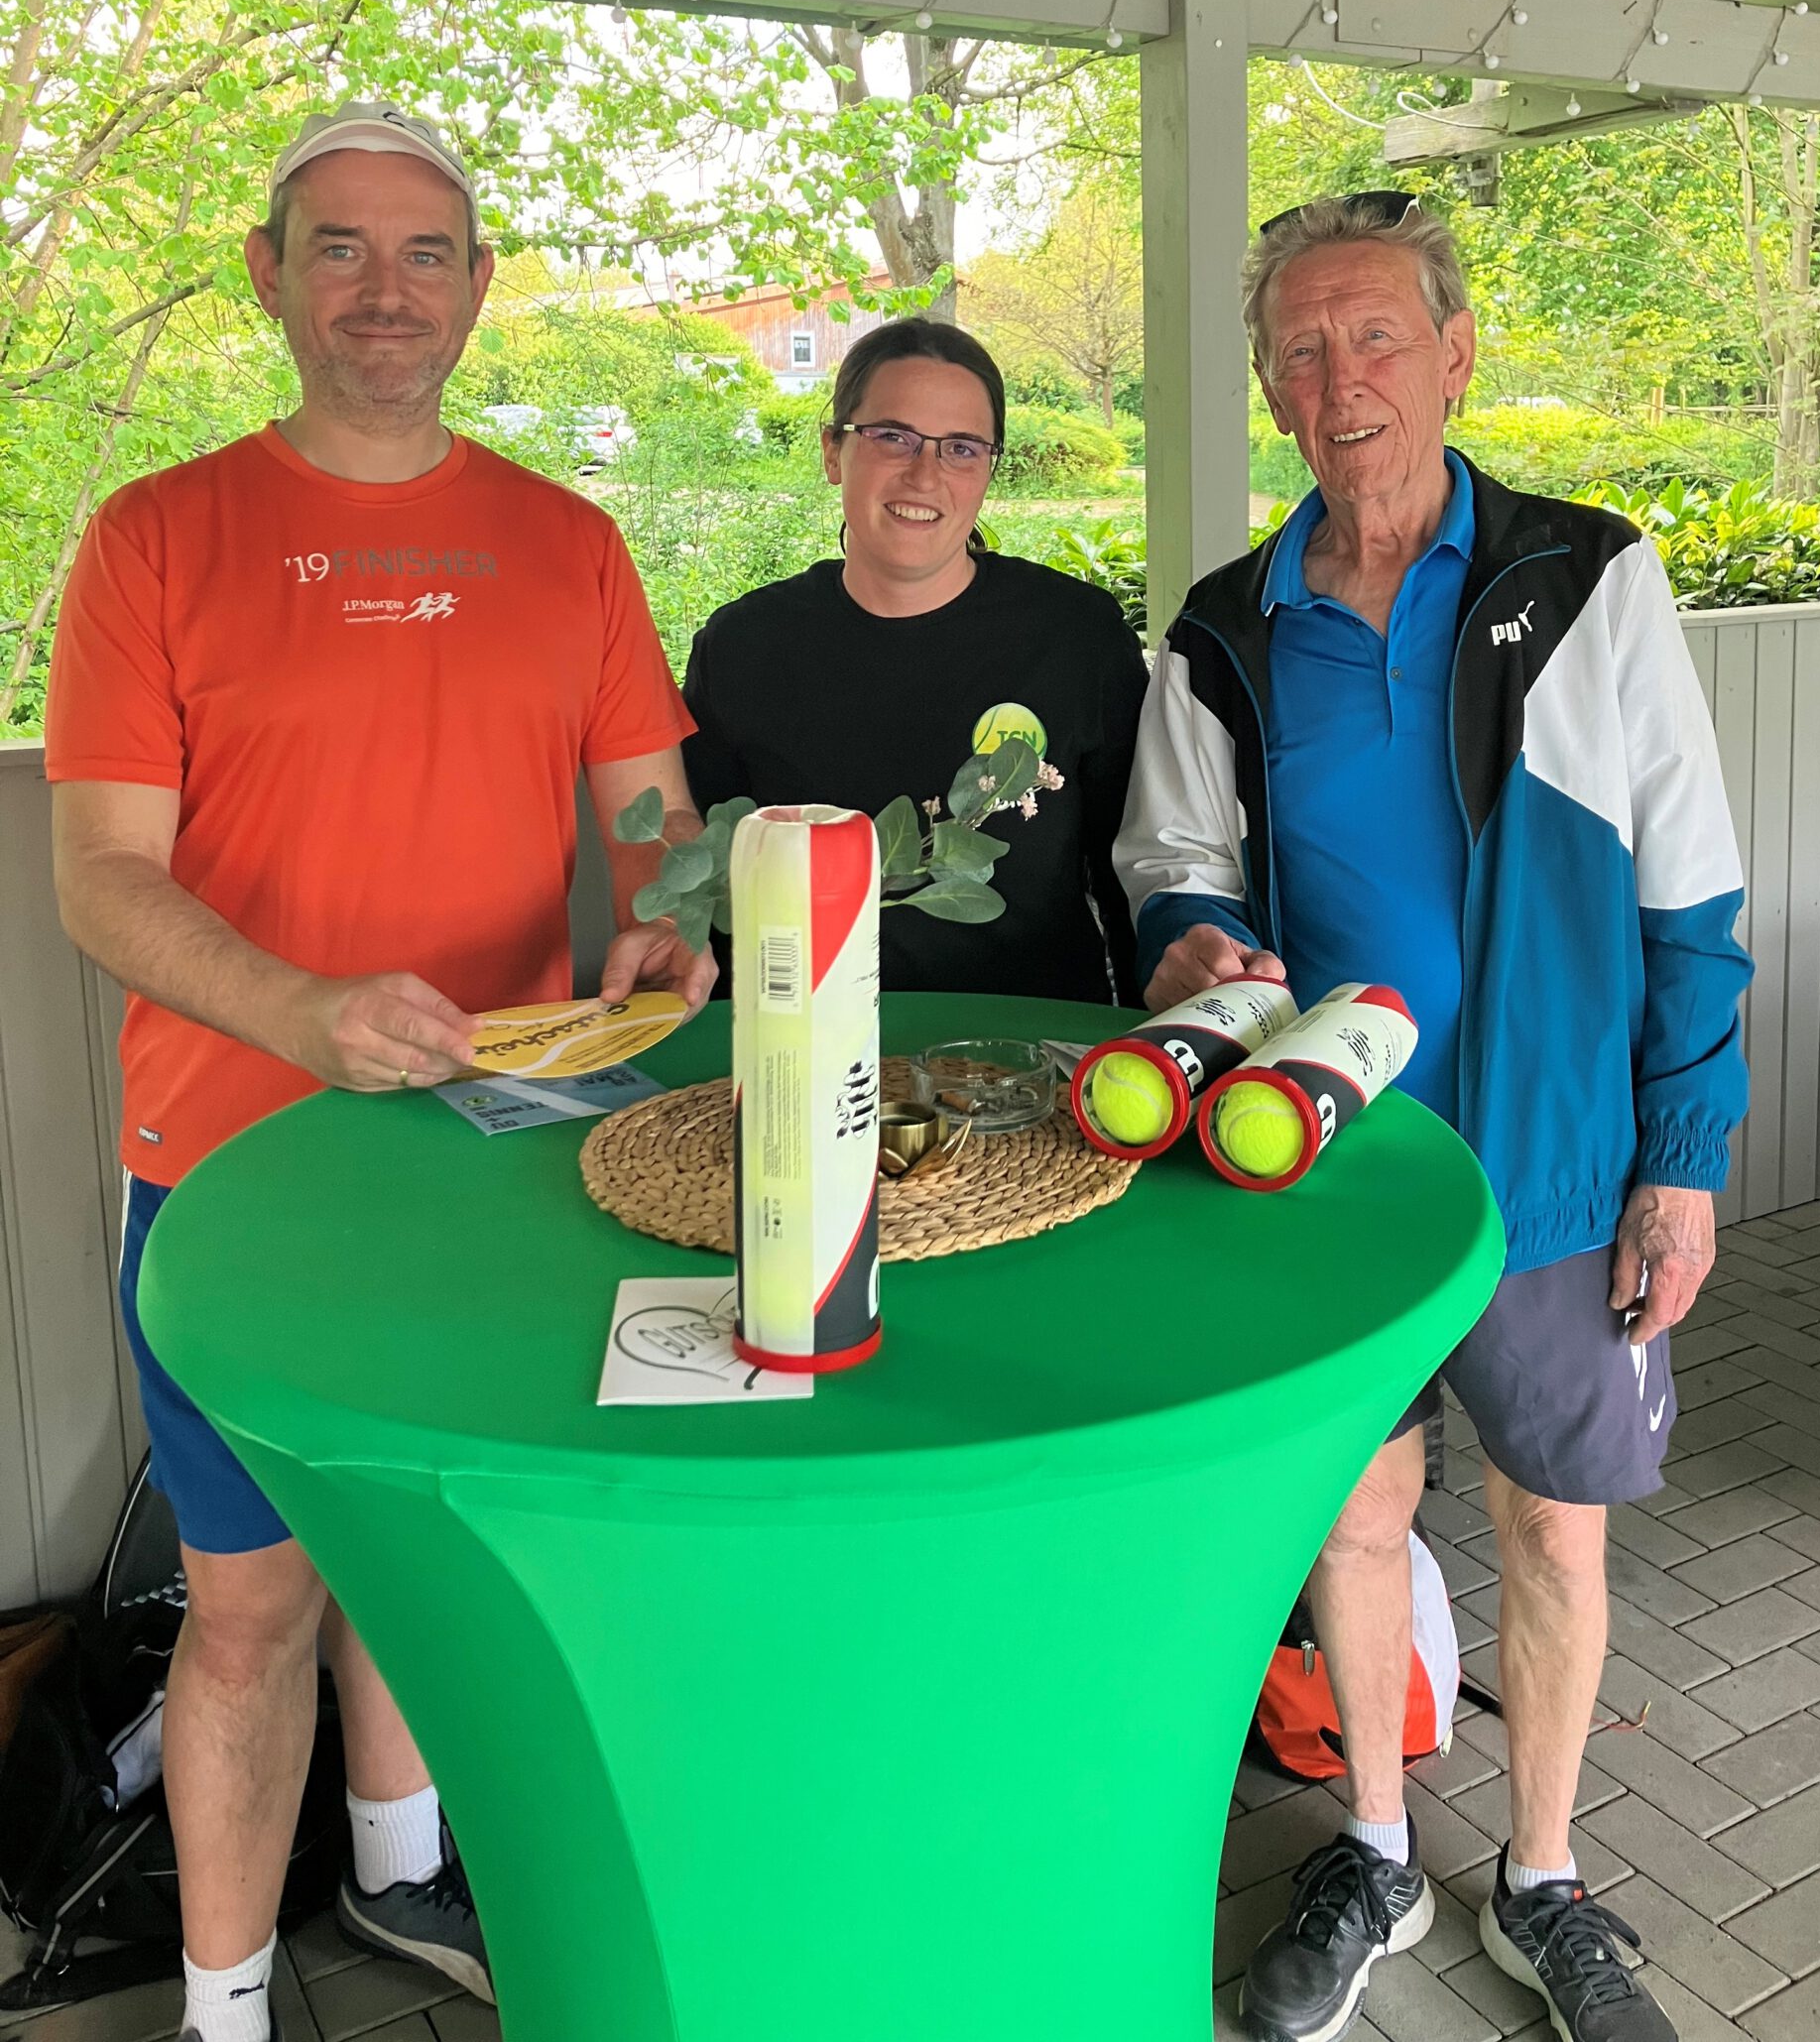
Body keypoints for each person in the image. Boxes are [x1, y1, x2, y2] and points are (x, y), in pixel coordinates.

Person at [45, 100, 714, 2042]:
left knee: (435, 1554)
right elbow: (99, 876)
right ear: (269, 274)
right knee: (253, 1602)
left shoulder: (568, 544)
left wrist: (667, 924)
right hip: (235, 1169)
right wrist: (301, 1013)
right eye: (338, 245)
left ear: (481, 287)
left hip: (502, 1151)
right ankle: (227, 1999)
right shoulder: (156, 537)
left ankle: (402, 1865)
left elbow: (654, 827)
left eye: (426, 252)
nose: (385, 288)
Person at [1115, 191, 1752, 2042]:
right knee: (1356, 1513)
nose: (1343, 380)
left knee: (1554, 1530)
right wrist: (1187, 938)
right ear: (1269, 387)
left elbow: (1693, 888)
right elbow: (1169, 858)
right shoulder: (1226, 630)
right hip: (1331, 1174)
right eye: (1302, 349)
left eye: (1376, 335)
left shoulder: (1589, 580)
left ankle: (1542, 1878)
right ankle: (1381, 1847)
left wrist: (1681, 1161)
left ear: (1456, 354)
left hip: (1554, 1167)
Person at [681, 316, 1150, 1002]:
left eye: (961, 448)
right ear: (833, 451)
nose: (925, 474)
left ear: (989, 470)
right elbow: (703, 890)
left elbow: (1130, 872)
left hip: (1029, 1047)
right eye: (892, 437)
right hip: (804, 1044)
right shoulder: (742, 647)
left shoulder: (1076, 637)